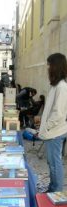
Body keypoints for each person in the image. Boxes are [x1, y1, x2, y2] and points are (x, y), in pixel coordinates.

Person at [38, 53, 67, 192]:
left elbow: (58, 113)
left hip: (55, 132)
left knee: (55, 163)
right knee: (52, 163)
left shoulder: (62, 87)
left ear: (55, 67)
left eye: (49, 65)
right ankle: (53, 188)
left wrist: (46, 127)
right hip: (53, 132)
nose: (48, 68)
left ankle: (57, 192)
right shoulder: (57, 86)